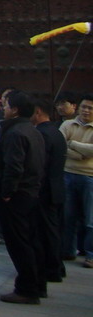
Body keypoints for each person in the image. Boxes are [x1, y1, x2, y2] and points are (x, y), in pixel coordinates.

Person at [0, 91, 45, 304]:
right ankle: (36, 283)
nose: (3, 108)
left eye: (6, 105)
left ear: (14, 110)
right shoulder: (32, 131)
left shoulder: (16, 133)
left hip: (16, 197)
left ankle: (27, 288)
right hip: (30, 193)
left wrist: (6, 193)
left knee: (19, 243)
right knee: (29, 240)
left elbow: (13, 167)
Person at [32, 96, 67, 284]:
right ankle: (56, 266)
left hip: (46, 190)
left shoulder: (43, 134)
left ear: (38, 111)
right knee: (54, 230)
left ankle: (52, 268)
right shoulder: (56, 131)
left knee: (47, 231)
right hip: (57, 187)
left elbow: (41, 165)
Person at [60, 95, 93, 267]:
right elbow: (60, 145)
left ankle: (90, 254)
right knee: (68, 215)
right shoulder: (67, 124)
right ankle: (68, 250)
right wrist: (81, 153)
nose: (86, 110)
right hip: (68, 174)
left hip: (90, 177)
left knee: (90, 218)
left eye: (90, 108)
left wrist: (72, 143)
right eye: (84, 107)